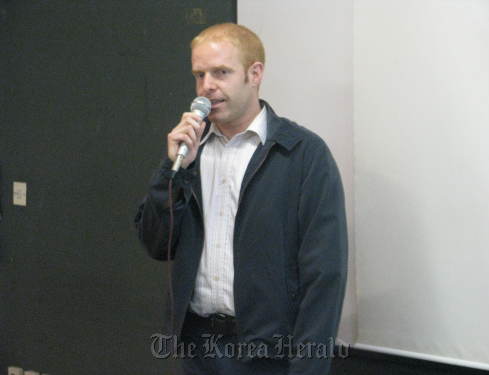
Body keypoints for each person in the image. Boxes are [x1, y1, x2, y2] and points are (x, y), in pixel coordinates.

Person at [135, 23, 348, 375]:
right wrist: (171, 172)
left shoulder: (302, 154)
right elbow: (157, 244)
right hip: (199, 348)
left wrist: (309, 366)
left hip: (271, 354)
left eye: (221, 72)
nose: (207, 87)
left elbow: (324, 274)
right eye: (199, 74)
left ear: (255, 73)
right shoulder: (191, 153)